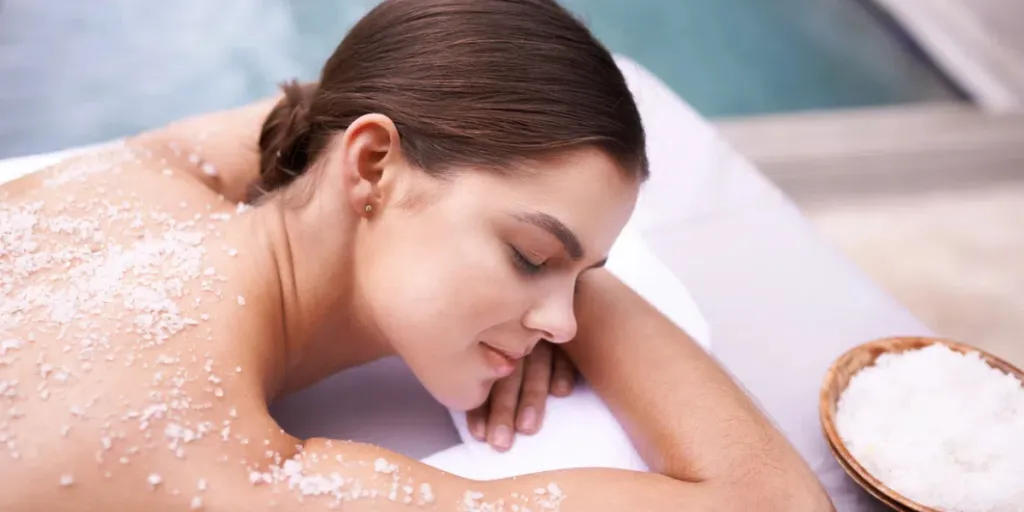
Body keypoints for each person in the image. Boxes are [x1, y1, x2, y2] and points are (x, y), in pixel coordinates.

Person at [0, 0, 834, 510]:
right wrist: (571, 311)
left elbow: (325, 107)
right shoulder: (209, 469)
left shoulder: (133, 179)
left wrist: (535, 288)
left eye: (585, 282)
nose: (561, 322)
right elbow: (772, 502)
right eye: (528, 252)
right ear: (371, 166)